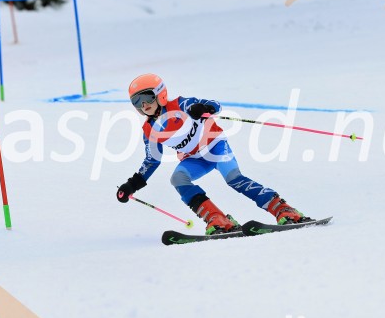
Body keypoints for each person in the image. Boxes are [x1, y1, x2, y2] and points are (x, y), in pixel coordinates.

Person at [116, 73, 310, 235]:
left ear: (160, 94)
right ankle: (218, 219)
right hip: (194, 159)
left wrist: (204, 108)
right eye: (136, 101)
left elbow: (214, 104)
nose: (143, 104)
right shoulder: (149, 130)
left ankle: (283, 209)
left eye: (147, 97)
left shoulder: (181, 104)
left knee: (233, 178)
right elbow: (152, 161)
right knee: (178, 179)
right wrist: (131, 185)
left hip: (215, 146)